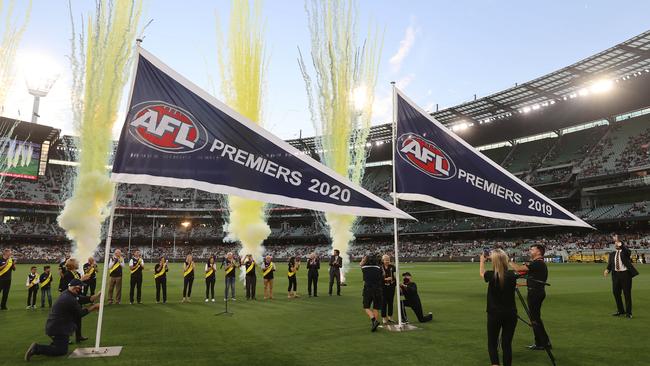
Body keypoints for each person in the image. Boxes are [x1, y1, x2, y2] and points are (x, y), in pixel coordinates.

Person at [24, 279, 100, 361]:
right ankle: (36, 348)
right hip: (58, 328)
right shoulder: (69, 299)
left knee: (60, 345)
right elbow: (80, 314)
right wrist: (94, 307)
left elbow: (83, 299)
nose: (81, 289)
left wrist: (97, 296)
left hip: (56, 326)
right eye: (80, 288)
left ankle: (54, 345)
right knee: (61, 351)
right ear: (76, 288)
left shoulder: (68, 293)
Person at [481, 249, 518, 366]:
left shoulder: (491, 275)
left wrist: (482, 261)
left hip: (494, 313)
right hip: (511, 314)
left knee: (492, 343)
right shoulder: (512, 275)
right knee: (507, 344)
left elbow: (482, 273)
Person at [510, 244, 551, 350]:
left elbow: (518, 269)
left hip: (535, 294)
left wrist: (506, 260)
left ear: (538, 252)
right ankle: (541, 342)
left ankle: (543, 343)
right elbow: (535, 280)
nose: (530, 251)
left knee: (535, 320)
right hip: (536, 292)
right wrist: (522, 284)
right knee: (535, 319)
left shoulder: (537, 264)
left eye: (532, 249)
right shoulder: (538, 264)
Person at [604, 234, 639, 319]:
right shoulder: (612, 254)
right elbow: (610, 264)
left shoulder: (625, 252)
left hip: (625, 275)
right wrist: (607, 270)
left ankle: (629, 312)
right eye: (615, 243)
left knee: (627, 294)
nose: (616, 244)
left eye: (617, 243)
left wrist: (619, 242)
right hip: (615, 275)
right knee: (616, 293)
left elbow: (627, 251)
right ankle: (620, 310)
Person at [360, 255, 383, 332]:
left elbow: (361, 264)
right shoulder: (379, 268)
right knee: (376, 308)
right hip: (378, 289)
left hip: (368, 289)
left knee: (366, 307)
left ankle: (374, 321)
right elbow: (381, 277)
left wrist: (363, 260)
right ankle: (374, 324)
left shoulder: (364, 268)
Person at [381, 254, 397, 324]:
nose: (387, 261)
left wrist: (394, 282)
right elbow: (378, 278)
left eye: (388, 260)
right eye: (386, 260)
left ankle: (390, 316)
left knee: (390, 302)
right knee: (384, 303)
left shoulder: (392, 267)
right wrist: (385, 279)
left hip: (391, 287)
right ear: (383, 260)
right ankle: (384, 317)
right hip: (383, 287)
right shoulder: (380, 267)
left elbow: (396, 276)